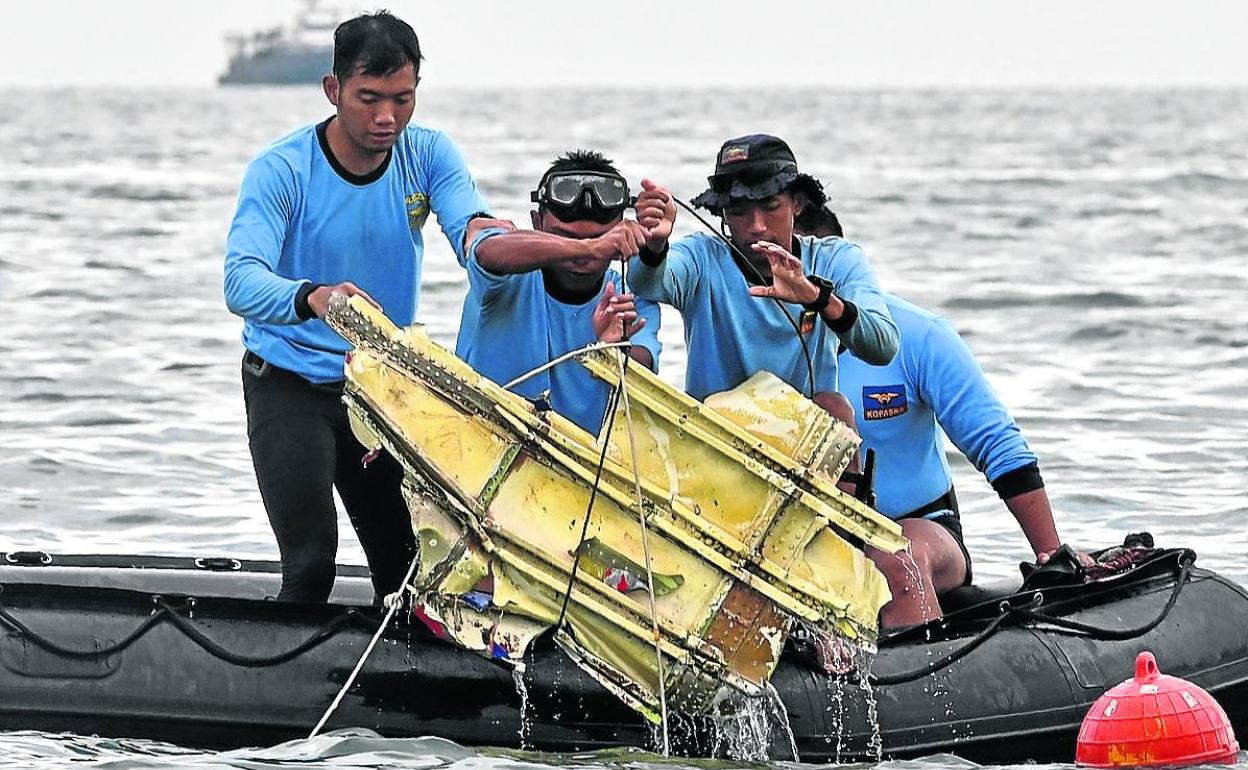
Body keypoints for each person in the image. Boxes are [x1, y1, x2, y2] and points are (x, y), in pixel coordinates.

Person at [223, 12, 492, 603]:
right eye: (368, 98)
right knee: (313, 564)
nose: (386, 118)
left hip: (379, 390)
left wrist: (567, 250)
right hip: (288, 383)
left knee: (410, 577)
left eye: (402, 99)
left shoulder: (427, 155)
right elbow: (239, 283)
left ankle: (387, 691)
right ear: (333, 89)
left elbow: (473, 234)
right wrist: (313, 296)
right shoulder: (283, 169)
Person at [796, 204, 1086, 629]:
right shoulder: (755, 346)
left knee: (897, 558)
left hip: (921, 532)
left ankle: (928, 686)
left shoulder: (918, 335)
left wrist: (1051, 553)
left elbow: (997, 446)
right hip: (803, 537)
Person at [629, 134, 898, 423]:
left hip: (805, 440)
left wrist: (816, 297)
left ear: (798, 203)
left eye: (770, 206)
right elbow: (647, 283)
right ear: (722, 212)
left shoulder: (836, 259)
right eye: (739, 211)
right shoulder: (702, 258)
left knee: (834, 406)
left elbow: (883, 346)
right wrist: (655, 245)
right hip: (716, 436)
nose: (756, 226)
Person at [455, 151, 662, 433]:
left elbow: (645, 365)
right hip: (477, 442)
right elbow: (485, 251)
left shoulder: (629, 296)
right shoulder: (504, 277)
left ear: (619, 232)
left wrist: (611, 353)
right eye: (564, 237)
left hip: (576, 465)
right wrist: (593, 248)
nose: (583, 256)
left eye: (600, 238)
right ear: (536, 223)